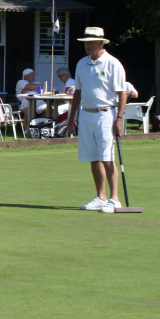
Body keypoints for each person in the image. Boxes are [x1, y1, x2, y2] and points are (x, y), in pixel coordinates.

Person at [67, 27, 128, 214]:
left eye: (91, 41)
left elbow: (122, 93)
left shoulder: (113, 63)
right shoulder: (81, 64)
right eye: (85, 42)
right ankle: (101, 197)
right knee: (93, 157)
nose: (87, 45)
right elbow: (77, 92)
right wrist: (71, 118)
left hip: (106, 114)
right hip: (86, 114)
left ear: (101, 43)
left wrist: (119, 118)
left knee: (107, 157)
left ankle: (114, 199)